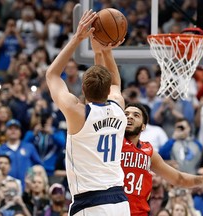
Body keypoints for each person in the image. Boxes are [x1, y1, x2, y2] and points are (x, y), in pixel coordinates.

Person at [45, 10, 130, 216]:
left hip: (91, 203)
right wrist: (104, 51)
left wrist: (78, 38)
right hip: (120, 201)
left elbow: (52, 75)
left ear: (82, 89)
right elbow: (115, 83)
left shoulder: (78, 114)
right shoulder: (119, 107)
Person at [121, 102, 203, 216]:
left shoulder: (149, 152)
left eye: (136, 115)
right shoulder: (113, 143)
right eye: (126, 114)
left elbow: (179, 179)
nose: (129, 117)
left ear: (143, 126)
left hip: (138, 212)